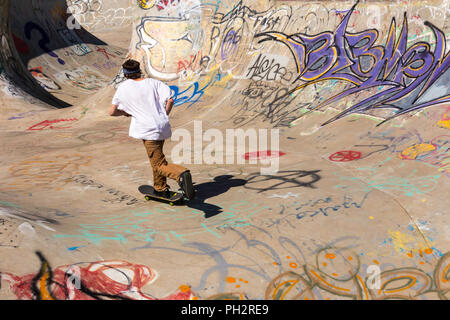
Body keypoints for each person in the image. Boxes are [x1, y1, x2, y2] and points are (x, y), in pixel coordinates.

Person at [109, 59, 195, 200]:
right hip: (162, 126)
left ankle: (181, 175)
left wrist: (125, 113)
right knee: (157, 158)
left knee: (159, 164)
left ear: (125, 75)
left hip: (147, 129)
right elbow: (171, 99)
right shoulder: (153, 83)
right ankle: (159, 187)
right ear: (139, 70)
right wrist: (164, 114)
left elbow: (112, 111)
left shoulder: (123, 88)